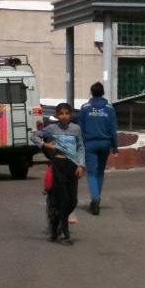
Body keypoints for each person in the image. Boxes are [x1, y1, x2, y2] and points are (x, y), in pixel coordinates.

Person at [39, 102, 84, 244]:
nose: (64, 117)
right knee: (63, 200)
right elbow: (35, 136)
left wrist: (81, 165)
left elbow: (81, 147)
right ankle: (65, 235)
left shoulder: (76, 129)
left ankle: (56, 219)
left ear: (70, 115)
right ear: (57, 115)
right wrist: (45, 144)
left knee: (72, 201)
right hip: (58, 165)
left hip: (72, 166)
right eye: (61, 114)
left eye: (67, 114)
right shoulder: (52, 128)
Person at [77, 81, 118, 215]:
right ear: (103, 92)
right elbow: (113, 129)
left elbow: (80, 128)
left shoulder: (85, 108)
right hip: (105, 143)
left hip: (90, 144)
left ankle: (95, 197)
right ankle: (96, 197)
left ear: (91, 92)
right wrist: (114, 145)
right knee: (100, 172)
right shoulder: (109, 108)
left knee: (92, 172)